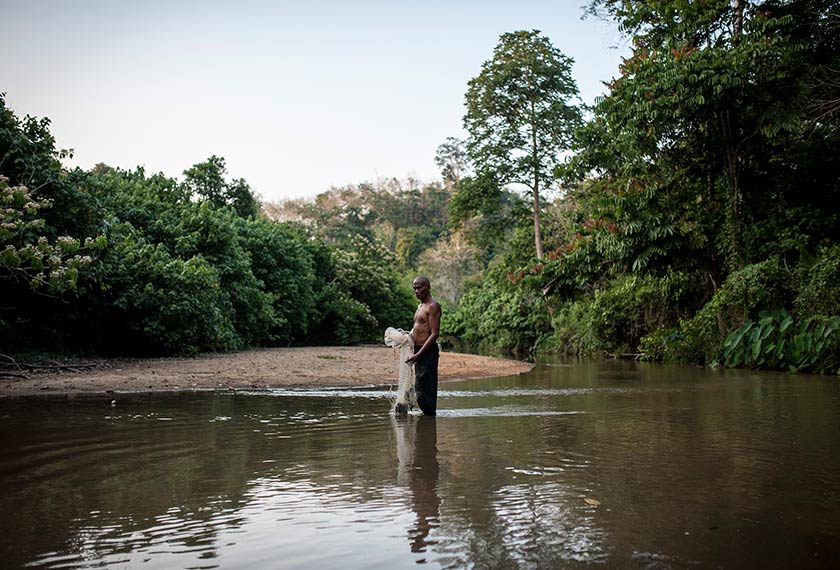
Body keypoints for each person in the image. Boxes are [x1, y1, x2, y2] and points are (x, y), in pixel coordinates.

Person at [406, 276, 441, 416]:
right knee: (420, 386)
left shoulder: (433, 306)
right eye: (414, 288)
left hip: (427, 351)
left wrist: (419, 354)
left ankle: (430, 417)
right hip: (418, 350)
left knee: (425, 387)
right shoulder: (419, 306)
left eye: (419, 288)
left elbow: (435, 334)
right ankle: (428, 417)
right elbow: (417, 327)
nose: (416, 291)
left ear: (428, 288)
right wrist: (407, 335)